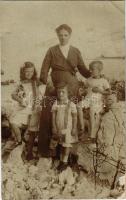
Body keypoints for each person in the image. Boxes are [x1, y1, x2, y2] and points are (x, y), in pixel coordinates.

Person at [39, 24, 90, 157]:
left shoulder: (75, 51)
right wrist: (45, 81)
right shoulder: (51, 50)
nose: (63, 37)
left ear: (70, 35)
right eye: (60, 35)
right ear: (57, 36)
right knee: (49, 114)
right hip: (54, 85)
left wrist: (95, 75)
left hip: (72, 86)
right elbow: (44, 68)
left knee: (70, 116)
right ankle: (47, 152)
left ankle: (69, 154)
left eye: (65, 35)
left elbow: (83, 69)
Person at [10, 62, 44, 160]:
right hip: (26, 108)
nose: (29, 74)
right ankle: (20, 141)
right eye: (27, 72)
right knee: (13, 121)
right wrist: (21, 100)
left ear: (34, 72)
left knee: (33, 131)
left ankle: (29, 152)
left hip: (35, 109)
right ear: (23, 72)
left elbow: (43, 93)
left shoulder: (37, 82)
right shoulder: (21, 83)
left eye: (31, 71)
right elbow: (13, 95)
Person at [78, 60, 110, 141]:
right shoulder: (88, 80)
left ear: (99, 70)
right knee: (78, 105)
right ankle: (82, 126)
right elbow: (85, 90)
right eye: (90, 69)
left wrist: (100, 91)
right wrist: (82, 92)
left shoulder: (103, 81)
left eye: (92, 69)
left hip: (97, 101)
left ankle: (92, 135)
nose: (90, 71)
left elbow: (109, 92)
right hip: (88, 99)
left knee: (92, 112)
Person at [50, 82, 78, 171]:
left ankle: (64, 162)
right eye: (59, 92)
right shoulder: (56, 103)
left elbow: (74, 117)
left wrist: (74, 128)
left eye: (63, 92)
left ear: (68, 93)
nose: (61, 94)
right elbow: (53, 116)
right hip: (59, 128)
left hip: (68, 129)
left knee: (66, 145)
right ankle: (59, 159)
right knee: (60, 144)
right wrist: (54, 126)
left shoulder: (72, 104)